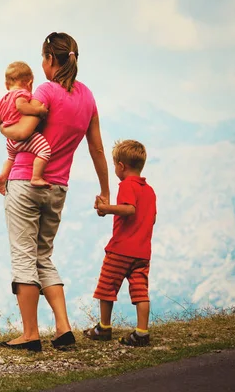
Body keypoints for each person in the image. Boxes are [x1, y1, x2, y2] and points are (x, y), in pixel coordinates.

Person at [0, 32, 110, 352]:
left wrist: (2, 127)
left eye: (42, 58)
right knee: (43, 256)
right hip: (58, 187)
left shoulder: (45, 91)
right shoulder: (88, 97)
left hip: (26, 182)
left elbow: (22, 131)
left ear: (50, 60)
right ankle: (63, 328)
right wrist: (105, 193)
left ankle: (30, 334)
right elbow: (98, 149)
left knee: (23, 258)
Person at [84, 140, 157, 347]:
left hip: (121, 249)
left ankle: (103, 328)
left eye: (114, 164)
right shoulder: (149, 191)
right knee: (140, 291)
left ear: (121, 166)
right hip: (142, 252)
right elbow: (151, 218)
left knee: (106, 287)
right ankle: (142, 332)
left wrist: (107, 209)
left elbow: (129, 209)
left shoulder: (127, 186)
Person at [0, 61, 51, 194]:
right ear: (30, 83)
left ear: (6, 85)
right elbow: (21, 106)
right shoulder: (22, 94)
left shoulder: (2, 100)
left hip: (11, 142)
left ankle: (3, 176)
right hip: (25, 140)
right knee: (44, 151)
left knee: (11, 158)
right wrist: (39, 111)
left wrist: (5, 125)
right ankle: (36, 177)